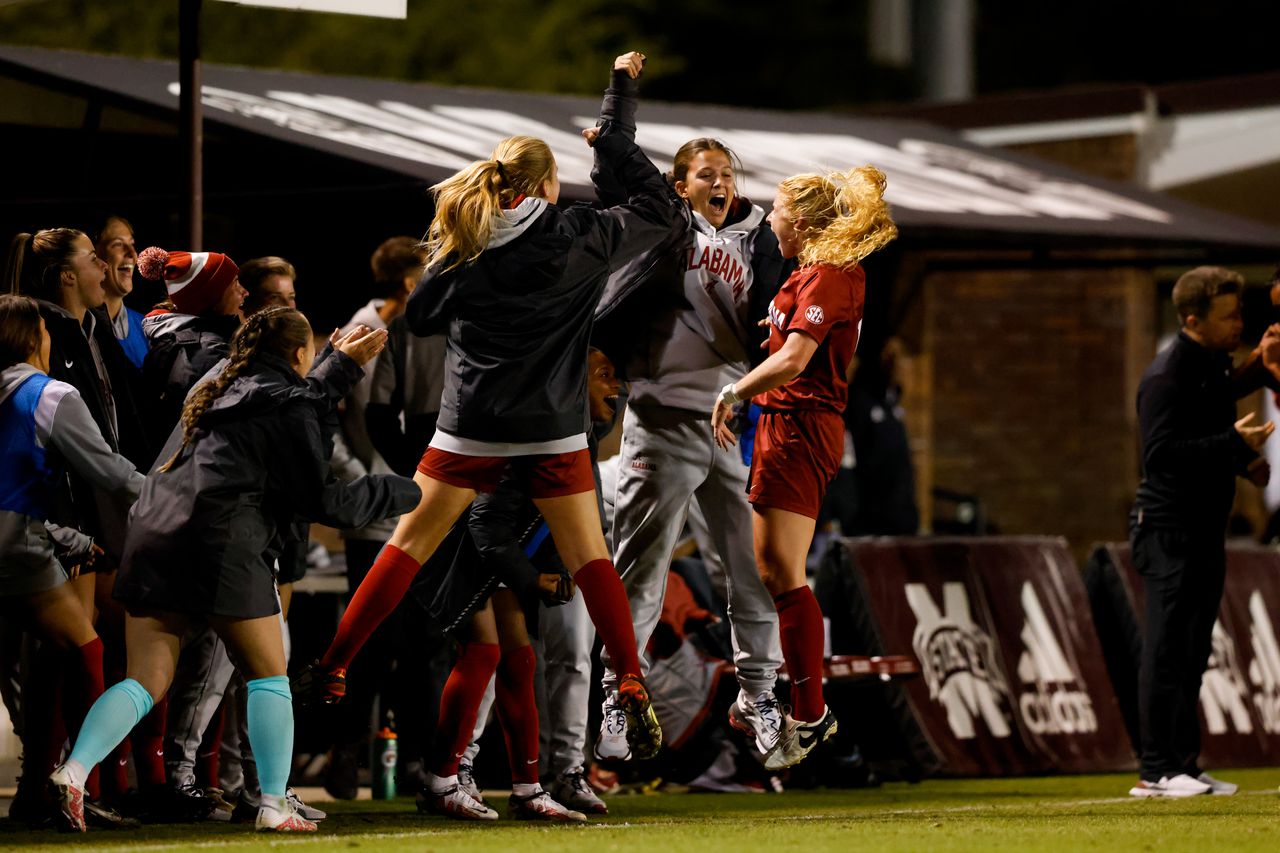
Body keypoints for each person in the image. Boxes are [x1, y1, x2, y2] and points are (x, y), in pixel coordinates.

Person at [299, 51, 685, 769]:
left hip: (471, 425)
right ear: (547, 183)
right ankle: (629, 674)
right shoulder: (580, 237)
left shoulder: (466, 247)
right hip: (552, 428)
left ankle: (337, 658)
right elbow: (664, 210)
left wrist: (452, 244)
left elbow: (421, 316)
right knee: (591, 558)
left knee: (406, 546)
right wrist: (615, 116)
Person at [48, 306, 420, 833]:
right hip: (221, 546)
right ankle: (272, 804)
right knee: (270, 677)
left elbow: (292, 400)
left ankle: (74, 771)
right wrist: (407, 490)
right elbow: (323, 500)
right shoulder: (285, 400)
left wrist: (339, 364)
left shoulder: (217, 383)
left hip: (153, 538)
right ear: (297, 354)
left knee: (146, 681)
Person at [590, 130, 790, 764]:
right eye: (705, 173)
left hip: (730, 424)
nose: (720, 182)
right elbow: (613, 175)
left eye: (727, 172)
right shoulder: (665, 225)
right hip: (661, 416)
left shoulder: (760, 239)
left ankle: (757, 695)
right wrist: (616, 107)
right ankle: (617, 696)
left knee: (755, 568)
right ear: (680, 186)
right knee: (640, 572)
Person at [710, 166, 898, 769]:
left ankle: (810, 713)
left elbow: (794, 360)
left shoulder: (830, 275)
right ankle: (779, 701)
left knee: (783, 574)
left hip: (799, 425)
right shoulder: (815, 272)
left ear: (807, 220)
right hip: (786, 425)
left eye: (778, 210)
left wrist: (734, 392)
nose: (770, 219)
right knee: (772, 572)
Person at [1128, 267, 1272, 798]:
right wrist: (1231, 447)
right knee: (1165, 650)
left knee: (1192, 650)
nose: (1239, 324)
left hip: (1203, 530)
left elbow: (1205, 443)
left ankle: (1184, 763)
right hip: (1167, 530)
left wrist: (1243, 462)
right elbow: (1161, 457)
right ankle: (1156, 769)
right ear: (1193, 319)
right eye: (1229, 315)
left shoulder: (1214, 369)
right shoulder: (1167, 376)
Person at [0, 294, 143, 826]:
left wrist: (71, 540)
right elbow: (108, 471)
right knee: (87, 651)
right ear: (30, 338)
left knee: (51, 657)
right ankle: (87, 787)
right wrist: (169, 497)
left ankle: (35, 788)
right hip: (16, 552)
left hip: (23, 538)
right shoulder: (50, 393)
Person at [94, 217, 147, 370]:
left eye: (132, 244)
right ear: (93, 254)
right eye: (117, 244)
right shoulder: (80, 330)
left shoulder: (146, 328)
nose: (132, 253)